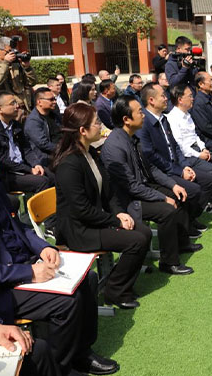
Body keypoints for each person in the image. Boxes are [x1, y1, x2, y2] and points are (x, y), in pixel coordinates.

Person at [0, 128, 118, 375]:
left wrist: (43, 246)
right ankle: (58, 367)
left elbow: (17, 227)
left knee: (88, 278)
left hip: (20, 268)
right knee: (67, 302)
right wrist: (28, 273)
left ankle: (81, 353)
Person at [51, 103, 150, 308]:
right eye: (97, 123)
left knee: (144, 232)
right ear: (83, 130)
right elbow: (82, 210)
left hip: (93, 221)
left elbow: (108, 192)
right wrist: (115, 221)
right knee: (136, 241)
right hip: (79, 230)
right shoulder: (69, 164)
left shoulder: (90, 153)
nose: (101, 126)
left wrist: (120, 213)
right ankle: (115, 291)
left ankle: (117, 283)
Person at [100, 96, 202, 274]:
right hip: (127, 200)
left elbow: (151, 168)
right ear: (126, 119)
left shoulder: (132, 138)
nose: (143, 115)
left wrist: (172, 185)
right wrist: (163, 198)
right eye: (139, 112)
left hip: (141, 187)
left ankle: (181, 243)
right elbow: (131, 187)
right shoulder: (115, 147)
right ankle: (168, 262)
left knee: (179, 193)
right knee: (167, 210)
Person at [138, 82, 212, 212]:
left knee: (210, 180)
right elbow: (151, 156)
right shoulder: (144, 123)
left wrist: (184, 165)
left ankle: (198, 211)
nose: (166, 98)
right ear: (151, 100)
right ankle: (190, 217)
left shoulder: (163, 119)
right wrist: (179, 171)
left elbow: (175, 146)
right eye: (163, 96)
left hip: (176, 164)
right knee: (196, 188)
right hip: (162, 171)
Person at [167, 84, 212, 192]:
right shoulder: (172, 118)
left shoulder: (187, 114)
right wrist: (198, 154)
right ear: (180, 100)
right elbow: (180, 146)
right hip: (188, 155)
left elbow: (195, 135)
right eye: (190, 96)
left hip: (198, 149)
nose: (193, 98)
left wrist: (203, 148)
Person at [0, 92, 53, 194]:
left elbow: (27, 149)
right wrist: (29, 170)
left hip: (22, 166)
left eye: (16, 102)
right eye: (12, 103)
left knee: (52, 175)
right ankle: (39, 205)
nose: (17, 106)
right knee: (42, 181)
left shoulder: (16, 125)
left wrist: (36, 164)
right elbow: (0, 159)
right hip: (6, 173)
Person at [0, 37, 36, 113]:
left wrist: (27, 67)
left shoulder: (16, 64)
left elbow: (32, 82)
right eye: (8, 51)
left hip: (23, 108)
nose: (12, 53)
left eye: (13, 51)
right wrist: (6, 63)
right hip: (5, 110)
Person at [24, 87, 61, 163]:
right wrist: (63, 148)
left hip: (59, 152)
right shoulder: (33, 121)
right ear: (39, 102)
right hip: (46, 158)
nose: (54, 102)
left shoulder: (54, 114)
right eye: (51, 99)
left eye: (54, 99)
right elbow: (43, 144)